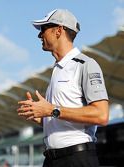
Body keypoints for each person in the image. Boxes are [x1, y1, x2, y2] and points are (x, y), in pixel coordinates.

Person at [17, 9, 109, 167]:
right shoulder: (57, 70)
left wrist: (51, 110)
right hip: (53, 159)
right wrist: (42, 117)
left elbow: (101, 115)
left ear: (58, 30)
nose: (40, 35)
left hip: (77, 158)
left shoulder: (86, 65)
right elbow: (60, 116)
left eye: (43, 29)